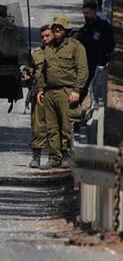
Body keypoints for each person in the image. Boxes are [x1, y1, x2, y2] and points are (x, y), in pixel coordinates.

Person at [36, 15, 88, 169]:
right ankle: (54, 157)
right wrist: (40, 89)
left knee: (66, 126)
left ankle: (66, 155)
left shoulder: (75, 47)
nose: (57, 31)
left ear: (66, 30)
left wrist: (77, 90)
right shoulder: (48, 47)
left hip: (67, 92)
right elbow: (43, 71)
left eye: (60, 28)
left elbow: (83, 70)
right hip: (50, 92)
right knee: (51, 128)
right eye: (55, 28)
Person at [24, 25, 52, 169]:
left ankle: (57, 158)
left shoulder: (61, 52)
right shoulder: (37, 54)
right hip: (39, 93)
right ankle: (36, 157)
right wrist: (25, 75)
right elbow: (29, 69)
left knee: (57, 127)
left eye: (47, 35)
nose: (45, 39)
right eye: (42, 37)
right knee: (38, 126)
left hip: (57, 92)